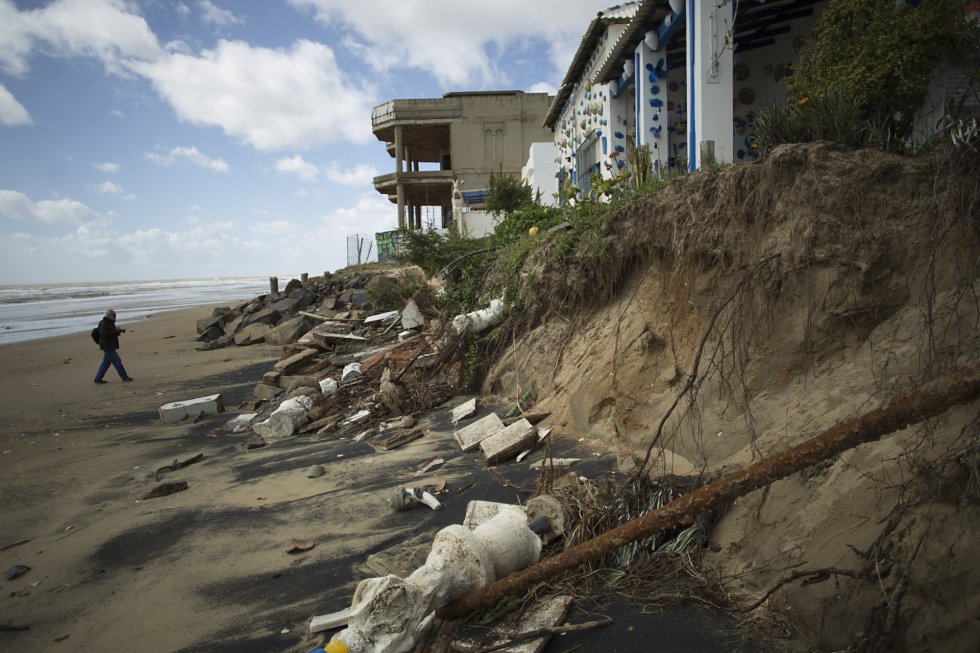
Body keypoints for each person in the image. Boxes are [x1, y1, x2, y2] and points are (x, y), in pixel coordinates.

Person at [94, 309, 133, 384]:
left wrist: (118, 331)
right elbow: (104, 334)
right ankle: (124, 377)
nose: (115, 318)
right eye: (113, 316)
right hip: (108, 346)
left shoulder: (109, 323)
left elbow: (110, 332)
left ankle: (98, 378)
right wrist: (116, 331)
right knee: (117, 361)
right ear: (109, 316)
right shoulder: (104, 323)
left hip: (109, 346)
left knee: (106, 363)